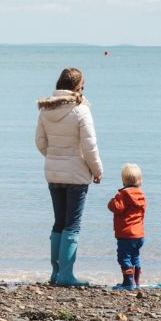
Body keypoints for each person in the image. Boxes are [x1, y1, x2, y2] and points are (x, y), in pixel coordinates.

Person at [36, 67, 104, 287]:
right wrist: (97, 170)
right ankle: (66, 275)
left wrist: (55, 157)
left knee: (59, 222)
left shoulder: (46, 109)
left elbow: (40, 142)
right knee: (72, 225)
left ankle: (56, 273)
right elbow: (90, 146)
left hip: (54, 172)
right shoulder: (81, 110)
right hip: (77, 174)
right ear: (78, 86)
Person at [107, 163, 146, 290]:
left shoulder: (122, 195)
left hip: (126, 234)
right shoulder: (141, 196)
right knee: (135, 256)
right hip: (139, 234)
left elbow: (116, 208)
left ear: (123, 181)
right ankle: (136, 281)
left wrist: (112, 201)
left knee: (124, 257)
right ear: (140, 181)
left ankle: (128, 282)